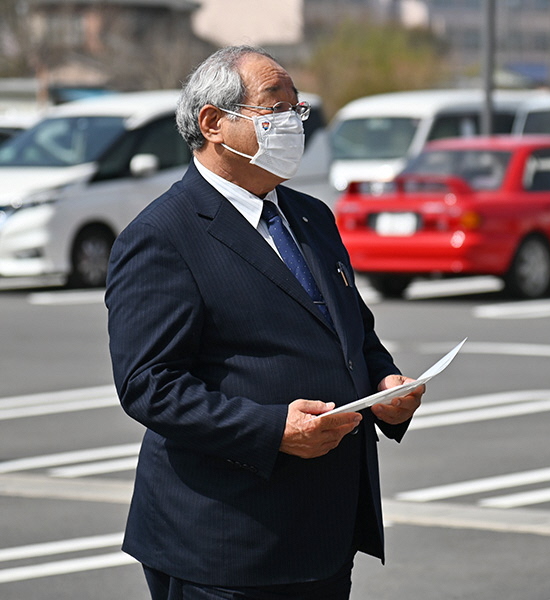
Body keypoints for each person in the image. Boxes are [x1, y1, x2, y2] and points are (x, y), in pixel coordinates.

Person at [105, 45, 424, 599]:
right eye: (276, 110)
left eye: (298, 112)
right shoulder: (162, 235)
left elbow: (353, 332)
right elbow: (149, 386)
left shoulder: (310, 215)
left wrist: (385, 383)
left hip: (322, 530)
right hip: (224, 539)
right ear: (214, 123)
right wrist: (272, 429)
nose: (294, 125)